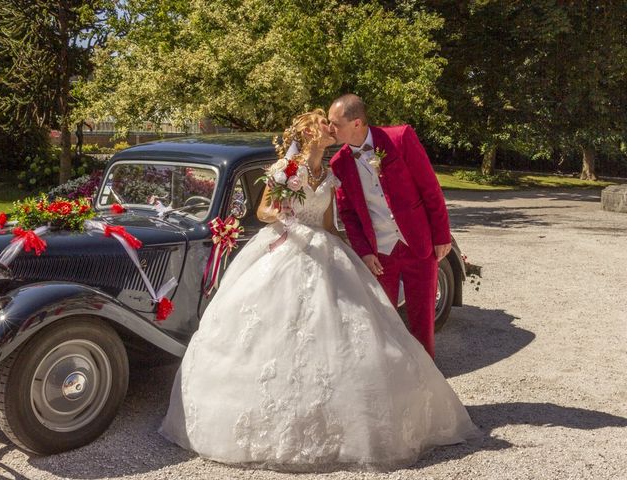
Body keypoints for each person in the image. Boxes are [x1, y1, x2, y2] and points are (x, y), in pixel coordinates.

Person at [160, 109, 479, 472]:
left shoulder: (329, 173)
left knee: (344, 333)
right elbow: (263, 210)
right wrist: (284, 215)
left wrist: (352, 255)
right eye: (321, 123)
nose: (329, 127)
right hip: (285, 247)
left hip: (324, 249)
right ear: (308, 133)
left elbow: (328, 223)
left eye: (332, 122)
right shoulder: (285, 168)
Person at [328, 94, 450, 358]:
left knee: (423, 323)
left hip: (418, 244)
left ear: (357, 123)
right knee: (383, 323)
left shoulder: (400, 138)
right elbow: (347, 213)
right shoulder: (338, 163)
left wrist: (441, 236)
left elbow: (430, 188)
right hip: (380, 254)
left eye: (335, 123)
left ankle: (425, 390)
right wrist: (365, 252)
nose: (330, 129)